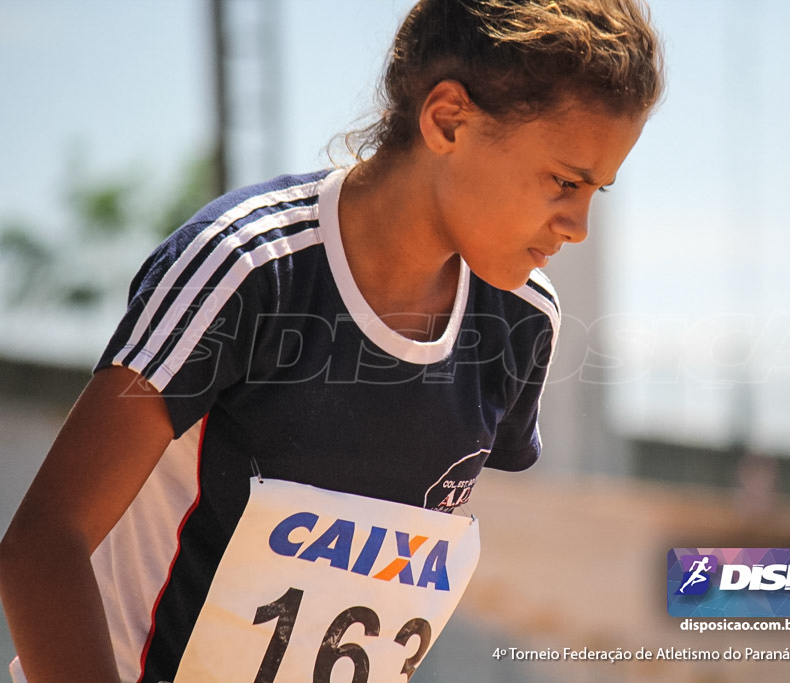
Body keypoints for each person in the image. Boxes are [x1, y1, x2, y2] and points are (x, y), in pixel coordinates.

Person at [0, 0, 663, 681]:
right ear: (448, 120)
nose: (578, 224)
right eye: (564, 180)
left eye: (597, 191)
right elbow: (41, 546)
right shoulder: (247, 268)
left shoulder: (522, 324)